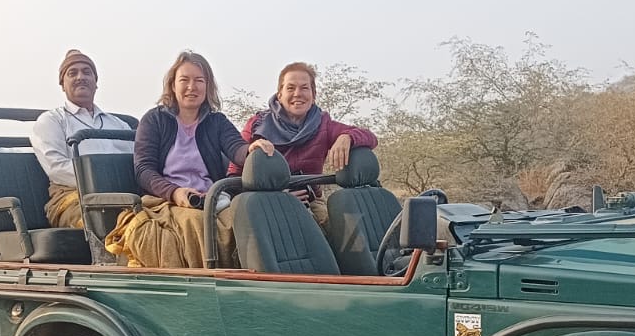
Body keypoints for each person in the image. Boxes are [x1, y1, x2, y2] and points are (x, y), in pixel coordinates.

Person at [105, 51, 273, 268]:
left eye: (199, 81)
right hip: (167, 199)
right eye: (184, 80)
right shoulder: (154, 120)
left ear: (208, 87)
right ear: (173, 85)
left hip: (212, 198)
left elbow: (236, 148)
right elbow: (144, 170)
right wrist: (175, 192)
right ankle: (205, 284)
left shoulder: (217, 122)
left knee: (248, 217)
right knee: (195, 223)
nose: (191, 87)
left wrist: (252, 149)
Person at [236, 62, 378, 227]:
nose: (298, 94)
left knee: (341, 228)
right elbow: (233, 175)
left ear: (313, 95)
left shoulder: (323, 124)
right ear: (279, 94)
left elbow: (370, 137)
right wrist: (277, 195)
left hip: (311, 202)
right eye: (290, 88)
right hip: (264, 202)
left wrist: (347, 137)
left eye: (304, 88)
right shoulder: (256, 126)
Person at [27, 49, 134, 228]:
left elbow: (135, 162)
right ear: (62, 84)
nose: (80, 77)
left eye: (86, 72)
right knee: (118, 222)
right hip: (73, 199)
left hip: (125, 196)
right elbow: (56, 168)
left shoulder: (118, 125)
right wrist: (102, 181)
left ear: (96, 82)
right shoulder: (52, 121)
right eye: (72, 73)